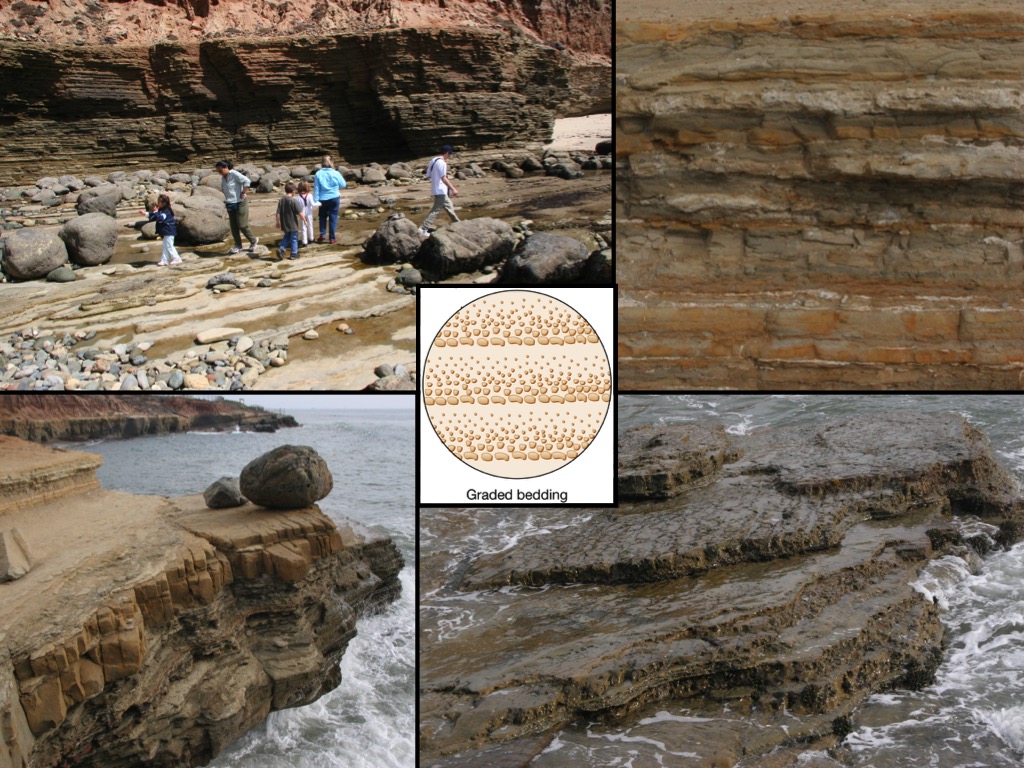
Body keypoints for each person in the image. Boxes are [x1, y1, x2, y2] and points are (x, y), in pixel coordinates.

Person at [216, 160, 259, 254]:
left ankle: (253, 240)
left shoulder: (234, 174)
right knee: (234, 226)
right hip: (230, 203)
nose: (220, 173)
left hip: (240, 202)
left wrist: (243, 192)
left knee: (242, 224)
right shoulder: (223, 178)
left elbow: (247, 181)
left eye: (220, 171)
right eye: (218, 171)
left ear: (226, 167)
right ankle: (238, 245)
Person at [419, 145, 460, 236]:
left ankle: (458, 224)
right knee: (436, 210)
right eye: (450, 154)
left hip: (436, 189)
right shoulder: (442, 163)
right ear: (447, 153)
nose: (450, 156)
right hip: (440, 190)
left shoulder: (433, 160)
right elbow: (443, 178)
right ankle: (423, 229)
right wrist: (453, 189)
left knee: (449, 206)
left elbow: (428, 175)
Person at [140, 194, 182, 267]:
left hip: (169, 230)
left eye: (159, 202)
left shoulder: (167, 211)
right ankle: (164, 260)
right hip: (166, 231)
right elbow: (154, 216)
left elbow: (160, 218)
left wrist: (156, 212)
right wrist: (145, 213)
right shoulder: (161, 210)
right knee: (165, 246)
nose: (158, 203)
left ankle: (176, 258)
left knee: (169, 245)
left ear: (164, 203)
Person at [313, 155, 346, 244]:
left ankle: (323, 234)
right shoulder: (335, 173)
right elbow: (343, 185)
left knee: (322, 216)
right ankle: (332, 238)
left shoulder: (318, 174)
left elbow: (316, 188)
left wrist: (315, 200)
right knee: (333, 217)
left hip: (322, 199)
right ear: (331, 162)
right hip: (334, 197)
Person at [275, 182, 306, 261]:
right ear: (293, 191)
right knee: (294, 238)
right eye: (295, 190)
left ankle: (281, 249)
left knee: (287, 236)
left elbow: (277, 213)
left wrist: (277, 222)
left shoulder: (281, 200)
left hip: (284, 223)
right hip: (292, 223)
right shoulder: (293, 201)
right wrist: (305, 220)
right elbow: (300, 212)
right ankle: (294, 254)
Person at [296, 180, 315, 248]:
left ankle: (304, 241)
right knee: (310, 225)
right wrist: (319, 203)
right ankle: (311, 238)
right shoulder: (309, 195)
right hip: (309, 212)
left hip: (302, 213)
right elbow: (313, 204)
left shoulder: (298, 197)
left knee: (303, 227)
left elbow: (297, 207)